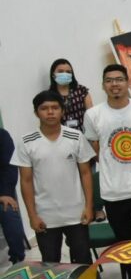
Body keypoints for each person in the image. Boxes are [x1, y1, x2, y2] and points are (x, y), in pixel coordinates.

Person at [15, 91, 94, 264]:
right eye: (44, 108)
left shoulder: (76, 136)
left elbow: (86, 173)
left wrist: (89, 206)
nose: (50, 112)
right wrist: (32, 215)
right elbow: (26, 181)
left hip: (76, 213)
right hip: (45, 215)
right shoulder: (27, 142)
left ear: (62, 111)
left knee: (83, 260)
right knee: (50, 263)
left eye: (55, 108)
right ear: (36, 112)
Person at [0, 126, 25, 265]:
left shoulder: (2, 136)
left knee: (8, 212)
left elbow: (9, 168)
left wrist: (5, 193)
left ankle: (17, 259)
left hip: (1, 194)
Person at [47, 59, 93, 130]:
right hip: (62, 134)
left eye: (68, 72)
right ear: (53, 74)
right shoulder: (49, 96)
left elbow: (91, 115)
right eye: (60, 71)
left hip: (84, 133)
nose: (65, 74)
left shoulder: (81, 91)